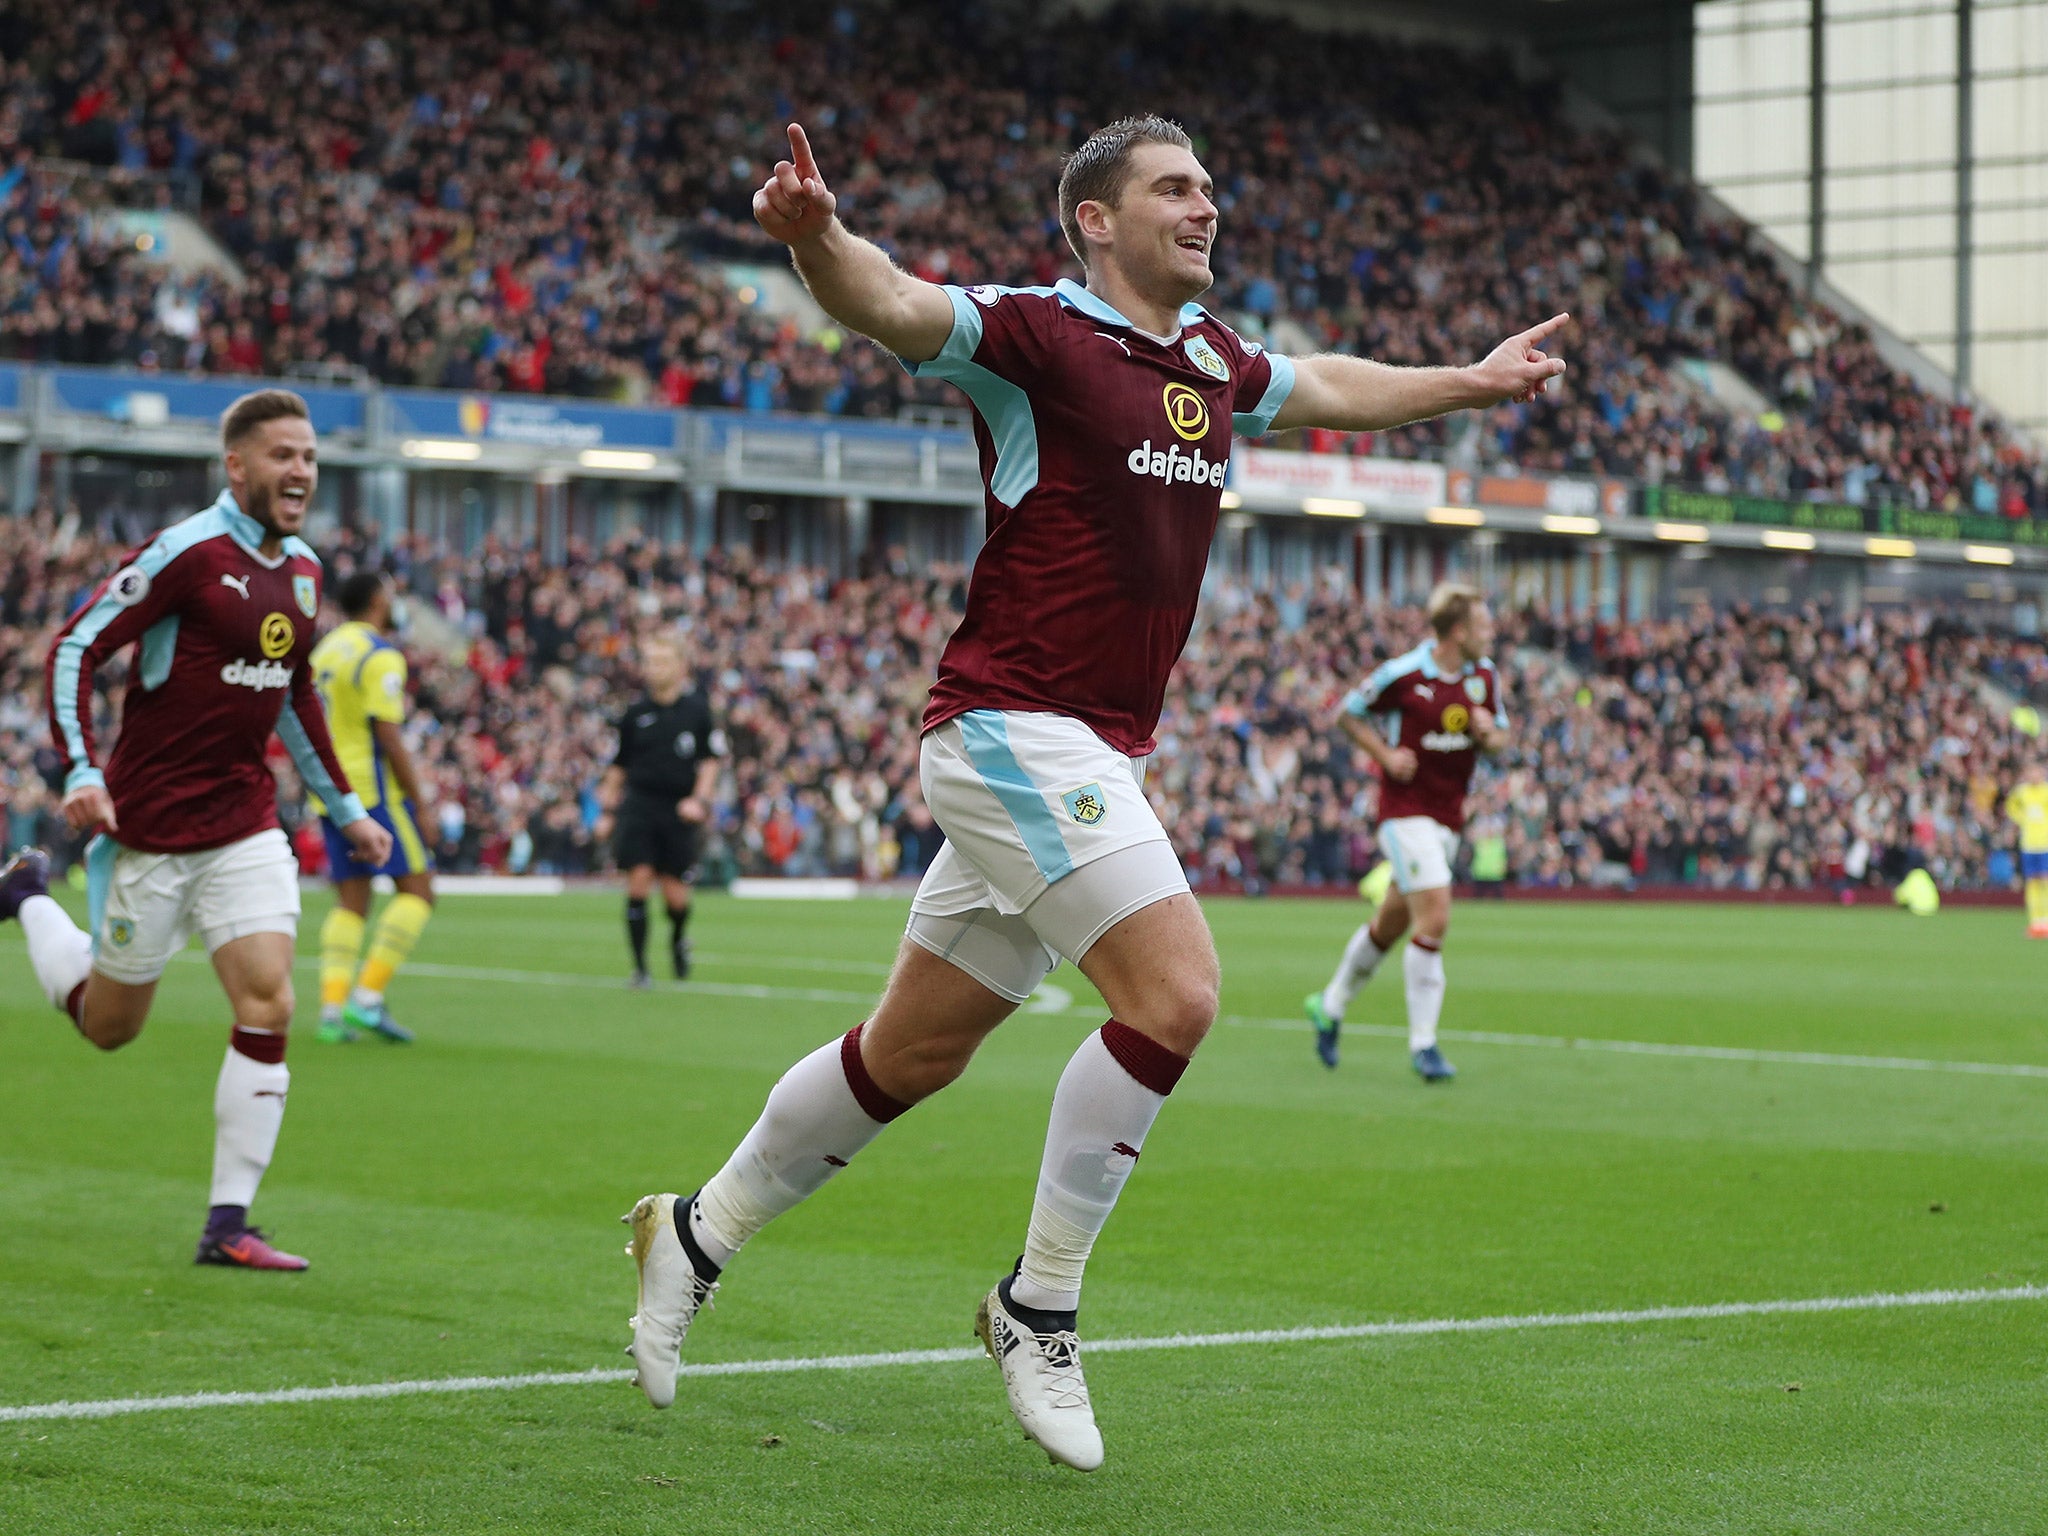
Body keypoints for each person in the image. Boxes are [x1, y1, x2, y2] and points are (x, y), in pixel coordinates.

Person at [621, 116, 1567, 1471]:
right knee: (1177, 995)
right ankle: (1038, 1301)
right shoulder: (1035, 339)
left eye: (1210, 187)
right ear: (1095, 221)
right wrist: (815, 234)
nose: (1207, 206)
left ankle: (693, 1234)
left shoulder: (1210, 359)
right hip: (1013, 729)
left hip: (1093, 752)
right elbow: (890, 302)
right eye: (1176, 188)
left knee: (909, 1056)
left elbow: (1333, 387)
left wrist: (1469, 384)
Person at [0, 389, 391, 1270]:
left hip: (247, 824)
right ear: (238, 466)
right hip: (154, 831)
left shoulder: (303, 570)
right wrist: (83, 769)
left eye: (310, 457)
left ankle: (227, 1227)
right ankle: (26, 895)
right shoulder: (186, 554)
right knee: (109, 1027)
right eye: (283, 455)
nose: (300, 471)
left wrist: (349, 813)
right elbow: (75, 646)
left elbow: (295, 697)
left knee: (270, 998)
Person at [1306, 583, 1508, 1082]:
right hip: (1404, 813)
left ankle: (1329, 1006)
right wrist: (1385, 756)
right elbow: (1347, 714)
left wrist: (1488, 735)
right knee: (1434, 917)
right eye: (1483, 625)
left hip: (1448, 819)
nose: (1492, 633)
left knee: (1390, 925)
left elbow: (1502, 741)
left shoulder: (1484, 676)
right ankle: (1425, 1047)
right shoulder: (1404, 673)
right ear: (1458, 632)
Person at [309, 569, 435, 1043]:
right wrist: (420, 802)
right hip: (373, 791)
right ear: (379, 601)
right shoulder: (380, 655)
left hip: (329, 791)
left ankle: (330, 1010)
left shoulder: (326, 649)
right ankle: (367, 998)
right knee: (419, 892)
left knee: (352, 901)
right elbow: (387, 732)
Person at [598, 632, 723, 986]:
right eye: (650, 661)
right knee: (637, 879)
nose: (654, 669)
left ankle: (678, 937)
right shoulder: (634, 714)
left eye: (662, 661)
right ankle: (640, 969)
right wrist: (607, 810)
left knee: (675, 895)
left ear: (680, 666)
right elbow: (618, 765)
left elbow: (710, 761)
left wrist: (699, 800)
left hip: (677, 809)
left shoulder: (697, 711)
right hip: (639, 805)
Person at [2004, 762, 2048, 938]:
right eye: (2031, 772)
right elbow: (2011, 806)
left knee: (2045, 882)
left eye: (2037, 772)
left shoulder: (2046, 791)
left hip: (2045, 843)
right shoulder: (2022, 792)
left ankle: (2045, 920)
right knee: (2032, 882)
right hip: (2029, 843)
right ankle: (2035, 921)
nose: (2034, 775)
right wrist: (2020, 818)